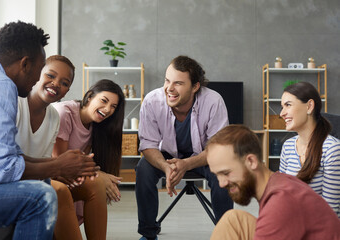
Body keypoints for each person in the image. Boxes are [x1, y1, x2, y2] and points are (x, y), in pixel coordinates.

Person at [0, 21, 97, 239]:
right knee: (41, 196)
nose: (38, 80)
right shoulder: (1, 87)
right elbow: (2, 171)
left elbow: (5, 158)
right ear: (25, 64)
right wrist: (57, 166)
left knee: (44, 182)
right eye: (41, 72)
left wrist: (58, 165)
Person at [136, 55, 233, 240]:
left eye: (178, 83)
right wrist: (166, 167)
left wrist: (186, 164)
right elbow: (148, 144)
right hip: (166, 155)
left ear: (195, 86)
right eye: (167, 80)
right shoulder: (152, 101)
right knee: (144, 169)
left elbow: (218, 147)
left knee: (224, 170)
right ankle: (148, 234)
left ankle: (225, 234)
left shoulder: (214, 101)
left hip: (204, 154)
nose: (169, 89)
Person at [15, 55, 105, 240]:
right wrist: (59, 167)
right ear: (37, 75)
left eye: (64, 83)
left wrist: (72, 170)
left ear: (67, 91)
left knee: (95, 183)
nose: (56, 84)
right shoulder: (16, 104)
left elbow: (47, 160)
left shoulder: (53, 116)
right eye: (50, 75)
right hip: (14, 178)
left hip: (39, 177)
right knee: (59, 191)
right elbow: (7, 162)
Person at [206, 124, 340, 240]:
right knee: (233, 220)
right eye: (217, 175)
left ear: (251, 161)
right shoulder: (278, 182)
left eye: (226, 173)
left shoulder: (280, 202)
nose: (221, 183)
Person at [52, 79, 125, 238]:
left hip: (71, 178)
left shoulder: (96, 125)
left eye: (113, 107)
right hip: (53, 174)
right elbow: (60, 162)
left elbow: (83, 161)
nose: (107, 110)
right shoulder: (65, 113)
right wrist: (100, 175)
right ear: (90, 96)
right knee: (97, 180)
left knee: (96, 182)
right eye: (104, 101)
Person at [279, 82, 340, 218]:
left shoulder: (332, 149)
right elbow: (282, 196)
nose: (282, 113)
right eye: (282, 107)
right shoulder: (288, 146)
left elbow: (329, 214)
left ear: (309, 106)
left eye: (288, 105)